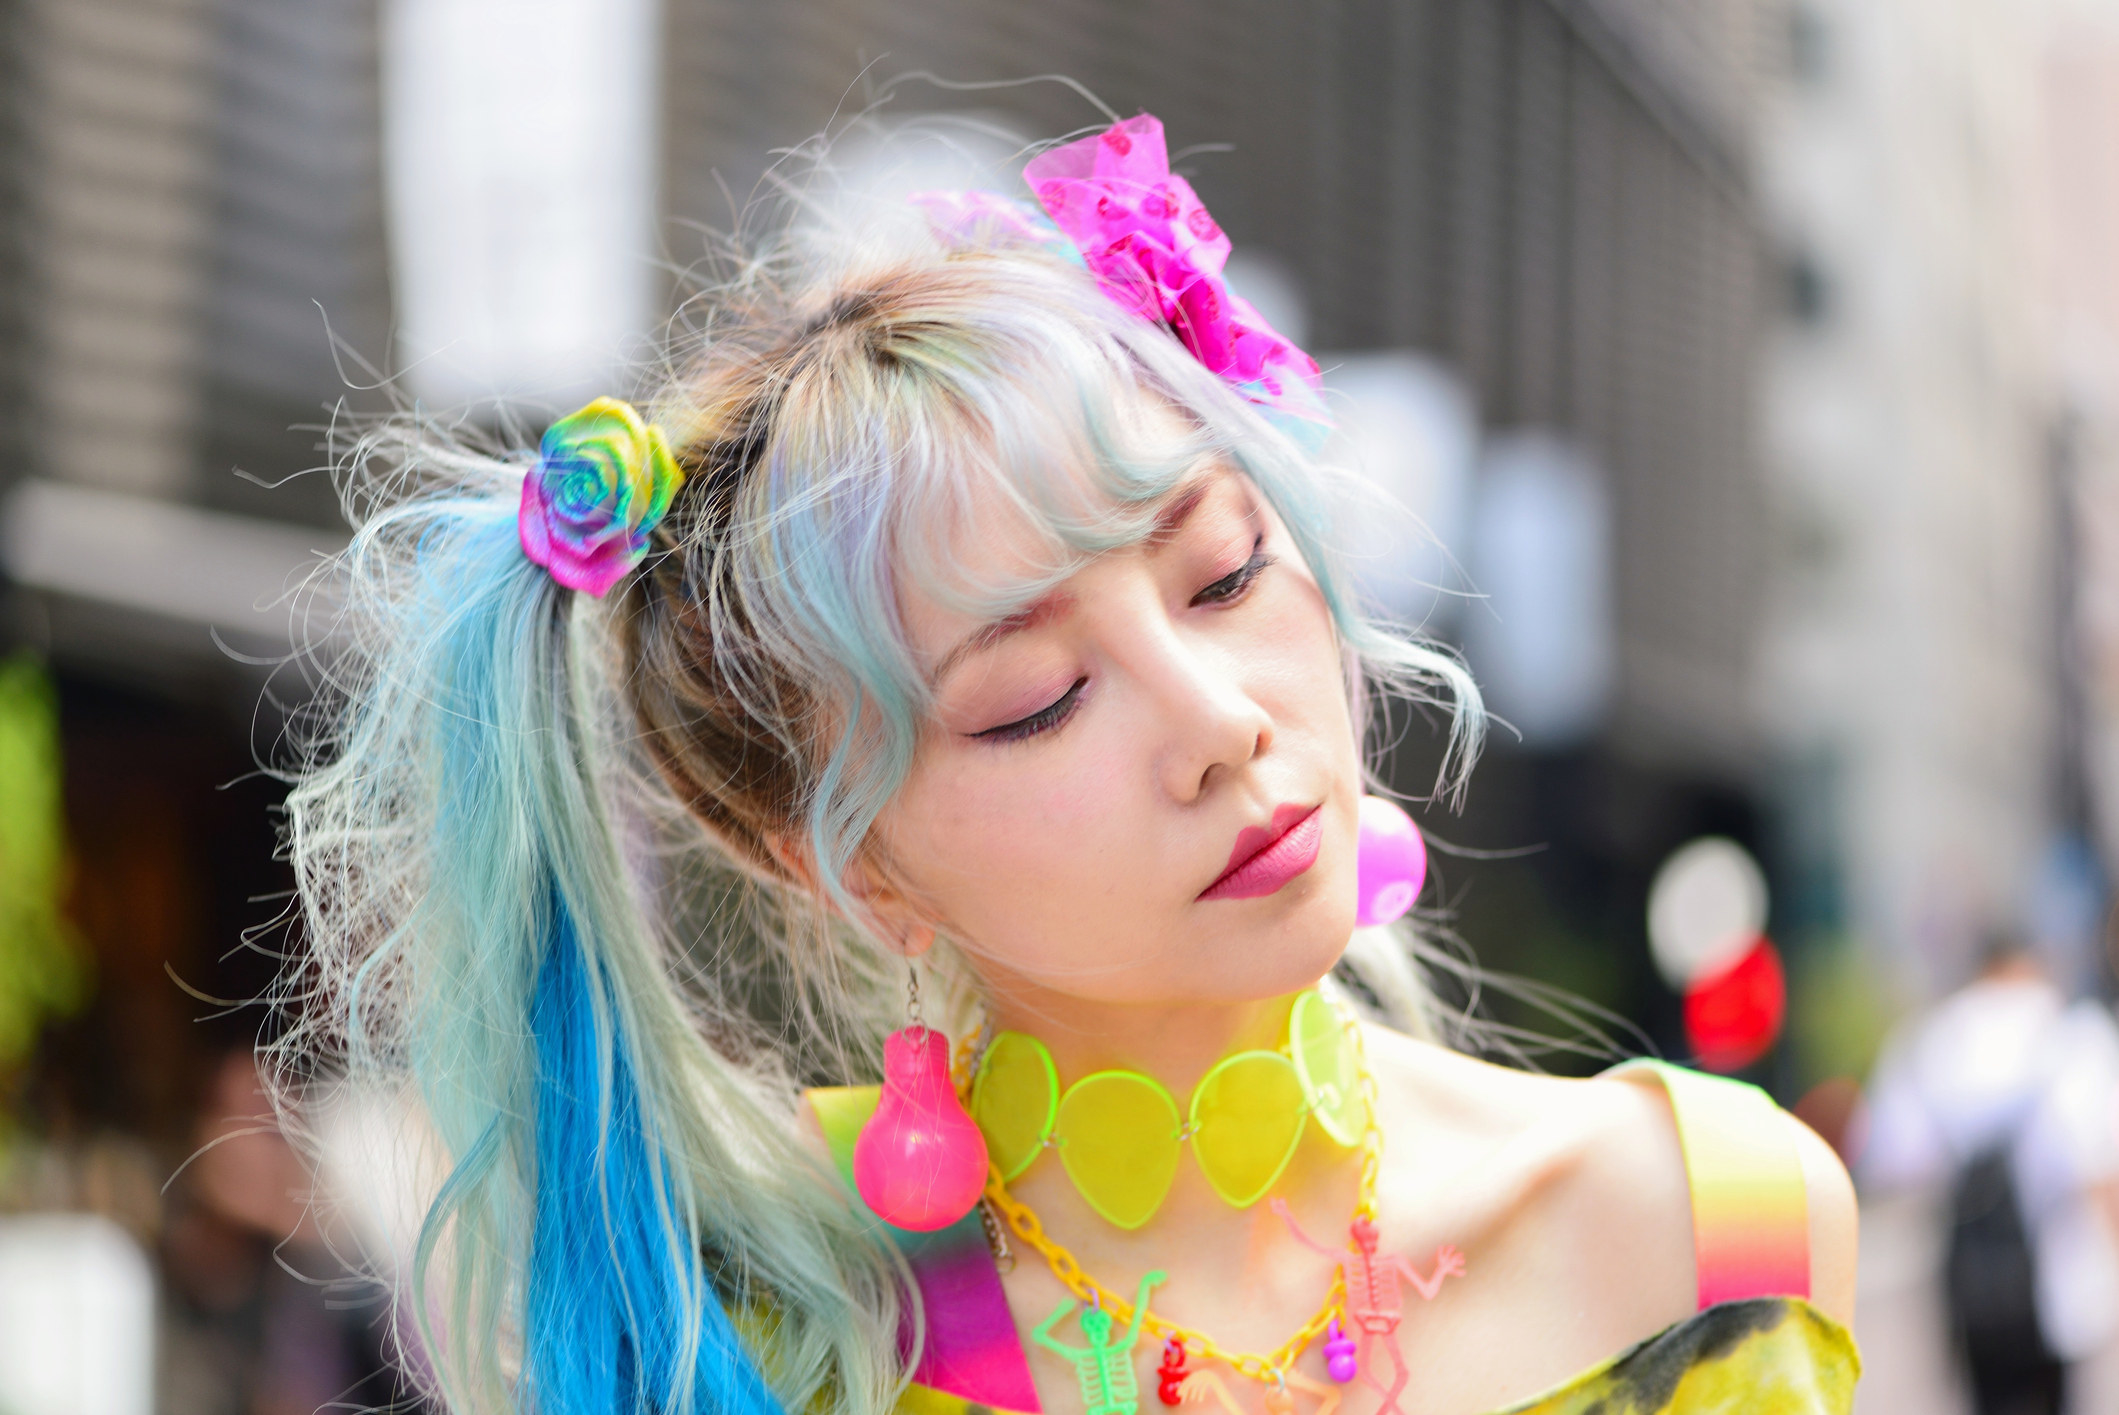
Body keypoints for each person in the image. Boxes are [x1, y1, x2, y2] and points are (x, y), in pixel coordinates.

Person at [273, 112, 1858, 1415]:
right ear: (847, 865)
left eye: (1227, 573)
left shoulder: (1710, 1225)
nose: (1217, 719)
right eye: (1034, 698)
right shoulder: (751, 1320)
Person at [1862, 938, 2119, 1415]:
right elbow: (2095, 1164)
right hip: (2062, 1288)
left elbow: (1891, 1159)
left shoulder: (1930, 1039)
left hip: (1969, 1289)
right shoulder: (2071, 1032)